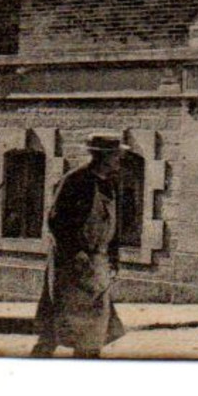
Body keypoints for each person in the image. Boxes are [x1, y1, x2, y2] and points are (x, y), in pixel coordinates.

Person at [31, 132, 128, 358]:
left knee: (94, 327)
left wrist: (113, 258)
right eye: (116, 156)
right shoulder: (75, 180)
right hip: (71, 264)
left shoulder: (109, 184)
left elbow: (113, 225)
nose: (118, 160)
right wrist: (76, 253)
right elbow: (56, 221)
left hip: (97, 262)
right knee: (57, 326)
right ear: (102, 157)